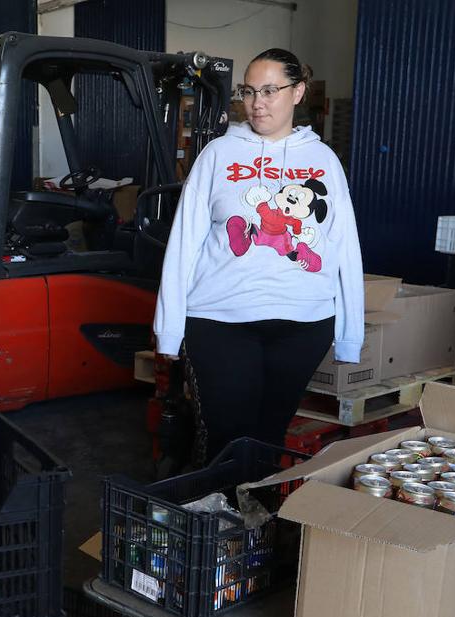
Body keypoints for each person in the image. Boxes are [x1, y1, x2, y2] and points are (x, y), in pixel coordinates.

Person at [154, 48, 364, 462]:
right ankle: (222, 518)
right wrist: (169, 328)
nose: (257, 102)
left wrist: (349, 337)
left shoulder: (323, 161)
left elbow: (345, 247)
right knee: (228, 437)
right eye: (249, 91)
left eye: (270, 90)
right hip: (221, 321)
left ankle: (257, 520)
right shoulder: (217, 155)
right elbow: (184, 244)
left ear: (298, 92)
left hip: (303, 325)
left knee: (270, 436)